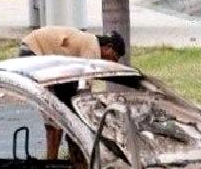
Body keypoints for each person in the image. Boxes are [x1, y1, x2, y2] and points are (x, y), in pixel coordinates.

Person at [19, 27, 126, 158]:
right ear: (108, 47)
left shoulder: (86, 43)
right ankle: (52, 161)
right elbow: (84, 89)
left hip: (44, 58)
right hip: (34, 52)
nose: (114, 62)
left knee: (66, 107)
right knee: (54, 116)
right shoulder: (93, 48)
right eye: (115, 57)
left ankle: (63, 157)